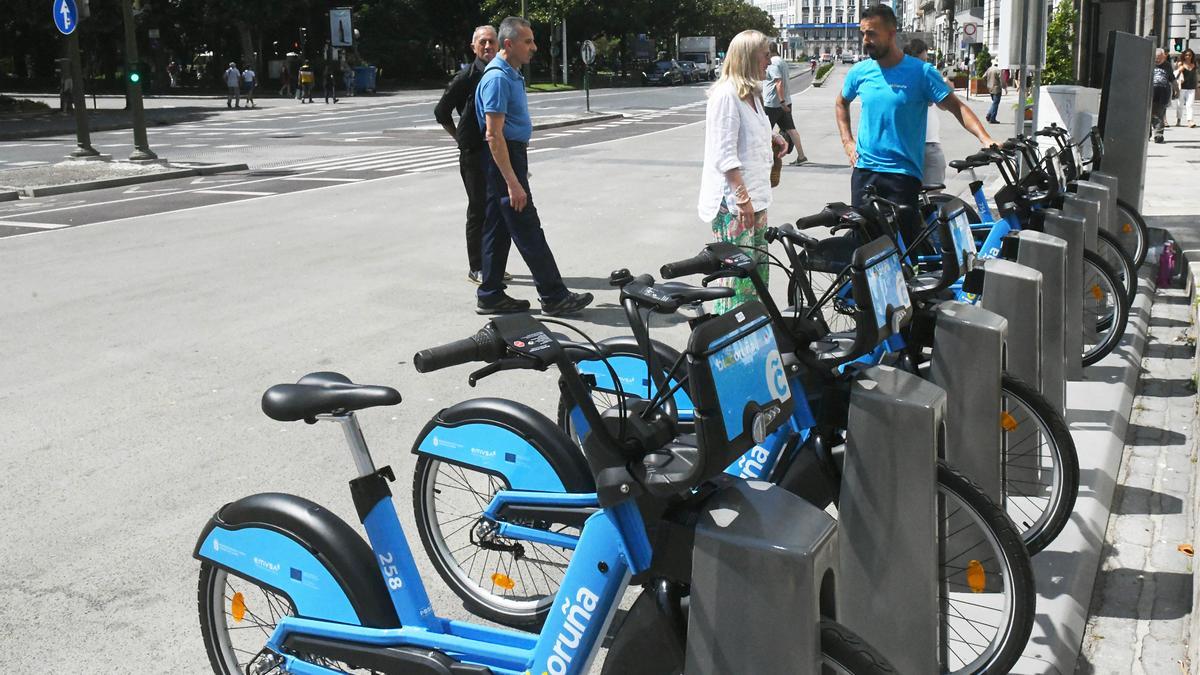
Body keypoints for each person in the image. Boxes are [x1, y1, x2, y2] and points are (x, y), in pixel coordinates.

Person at [835, 4, 994, 240]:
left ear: (891, 33)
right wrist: (847, 142)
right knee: (865, 247)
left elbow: (957, 107)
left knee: (905, 250)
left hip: (902, 175)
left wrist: (986, 138)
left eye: (872, 34)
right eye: (863, 33)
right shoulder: (860, 72)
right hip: (865, 173)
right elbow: (841, 103)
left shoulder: (921, 72)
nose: (865, 40)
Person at [473, 16, 593, 315]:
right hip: (504, 157)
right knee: (527, 227)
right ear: (509, 44)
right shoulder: (498, 78)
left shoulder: (510, 73)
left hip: (508, 157)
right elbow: (493, 134)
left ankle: (490, 294)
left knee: (497, 228)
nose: (534, 47)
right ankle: (554, 295)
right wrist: (512, 181)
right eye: (528, 41)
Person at [698, 30, 789, 314]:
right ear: (749, 57)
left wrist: (773, 137)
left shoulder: (752, 94)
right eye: (765, 55)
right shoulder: (726, 96)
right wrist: (741, 198)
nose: (769, 61)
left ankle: (753, 330)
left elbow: (748, 132)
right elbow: (724, 153)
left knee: (758, 276)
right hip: (735, 205)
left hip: (756, 199)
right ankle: (730, 336)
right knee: (737, 281)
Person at [435, 25, 507, 285]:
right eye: (483, 42)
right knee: (478, 209)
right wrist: (460, 138)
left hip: (496, 150)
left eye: (492, 42)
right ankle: (476, 267)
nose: (488, 46)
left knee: (497, 209)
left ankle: (493, 264)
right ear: (474, 47)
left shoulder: (500, 73)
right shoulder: (465, 77)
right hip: (474, 154)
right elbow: (441, 112)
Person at [904, 39, 947, 188]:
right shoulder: (916, 76)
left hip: (927, 144)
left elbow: (942, 104)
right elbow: (937, 103)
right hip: (919, 146)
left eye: (926, 60)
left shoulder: (925, 74)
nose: (926, 65)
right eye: (922, 60)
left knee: (932, 199)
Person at [762, 44, 808, 170]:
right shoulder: (782, 61)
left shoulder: (772, 63)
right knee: (791, 129)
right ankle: (801, 156)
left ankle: (765, 159)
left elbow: (778, 82)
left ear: (768, 51)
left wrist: (781, 101)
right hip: (785, 102)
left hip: (773, 103)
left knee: (764, 130)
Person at [1152, 48, 1173, 143]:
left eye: (1159, 58)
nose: (1157, 60)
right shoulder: (1148, 62)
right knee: (1147, 114)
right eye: (1156, 58)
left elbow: (1172, 79)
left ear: (1164, 57)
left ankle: (1158, 135)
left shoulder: (1168, 65)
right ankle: (1146, 133)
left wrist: (1176, 90)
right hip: (1149, 92)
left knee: (1159, 114)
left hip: (1163, 93)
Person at [1175, 49, 1196, 127]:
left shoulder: (1194, 64)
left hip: (1191, 88)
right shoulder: (1181, 64)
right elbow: (1177, 73)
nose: (1188, 57)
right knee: (1180, 104)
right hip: (1182, 87)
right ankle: (1178, 119)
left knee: (1189, 104)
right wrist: (1180, 69)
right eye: (1186, 55)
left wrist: (1196, 84)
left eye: (1190, 55)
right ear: (1184, 56)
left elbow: (1195, 75)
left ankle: (1190, 121)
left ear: (1192, 56)